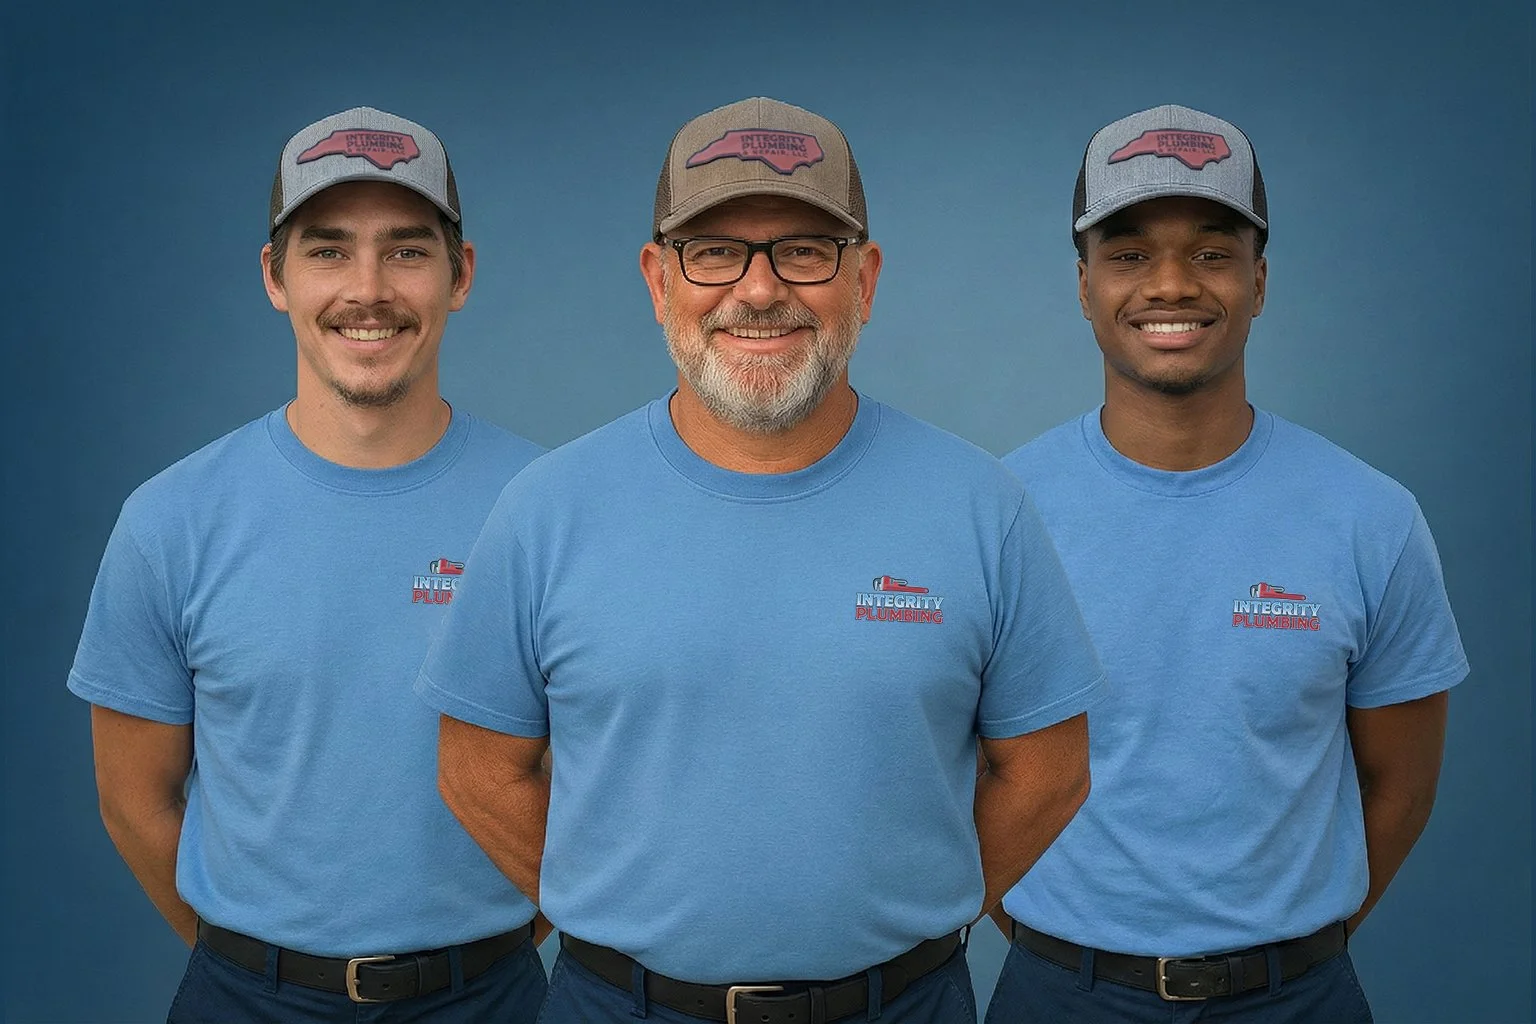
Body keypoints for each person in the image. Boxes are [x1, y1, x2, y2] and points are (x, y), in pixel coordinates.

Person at [415, 96, 1106, 1024]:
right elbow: (477, 769)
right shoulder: (547, 508)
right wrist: (620, 911)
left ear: (864, 281)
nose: (758, 289)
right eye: (715, 251)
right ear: (659, 280)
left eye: (804, 250)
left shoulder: (981, 505)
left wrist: (903, 921)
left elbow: (1049, 771)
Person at [990, 104, 1470, 1023]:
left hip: (1299, 1000)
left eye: (1212, 252)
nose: (1171, 283)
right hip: (1059, 996)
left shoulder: (1371, 517)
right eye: (1128, 254)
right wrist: (1073, 952)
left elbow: (1399, 786)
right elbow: (964, 770)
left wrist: (1286, 953)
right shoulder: (998, 514)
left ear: (1259, 280)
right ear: (1083, 283)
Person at [68, 106, 548, 1022]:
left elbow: (592, 778)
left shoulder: (548, 508)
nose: (368, 288)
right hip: (245, 1001)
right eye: (328, 250)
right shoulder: (172, 520)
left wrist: (480, 955)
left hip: (492, 1001)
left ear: (462, 275)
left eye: (407, 250)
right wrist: (264, 964)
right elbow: (135, 800)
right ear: (274, 277)